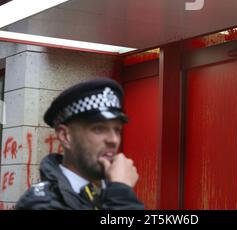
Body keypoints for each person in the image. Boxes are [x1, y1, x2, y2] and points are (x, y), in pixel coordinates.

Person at [15, 78, 144, 210]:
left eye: (117, 130)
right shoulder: (41, 204)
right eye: (98, 129)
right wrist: (122, 196)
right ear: (65, 136)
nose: (114, 140)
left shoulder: (112, 191)